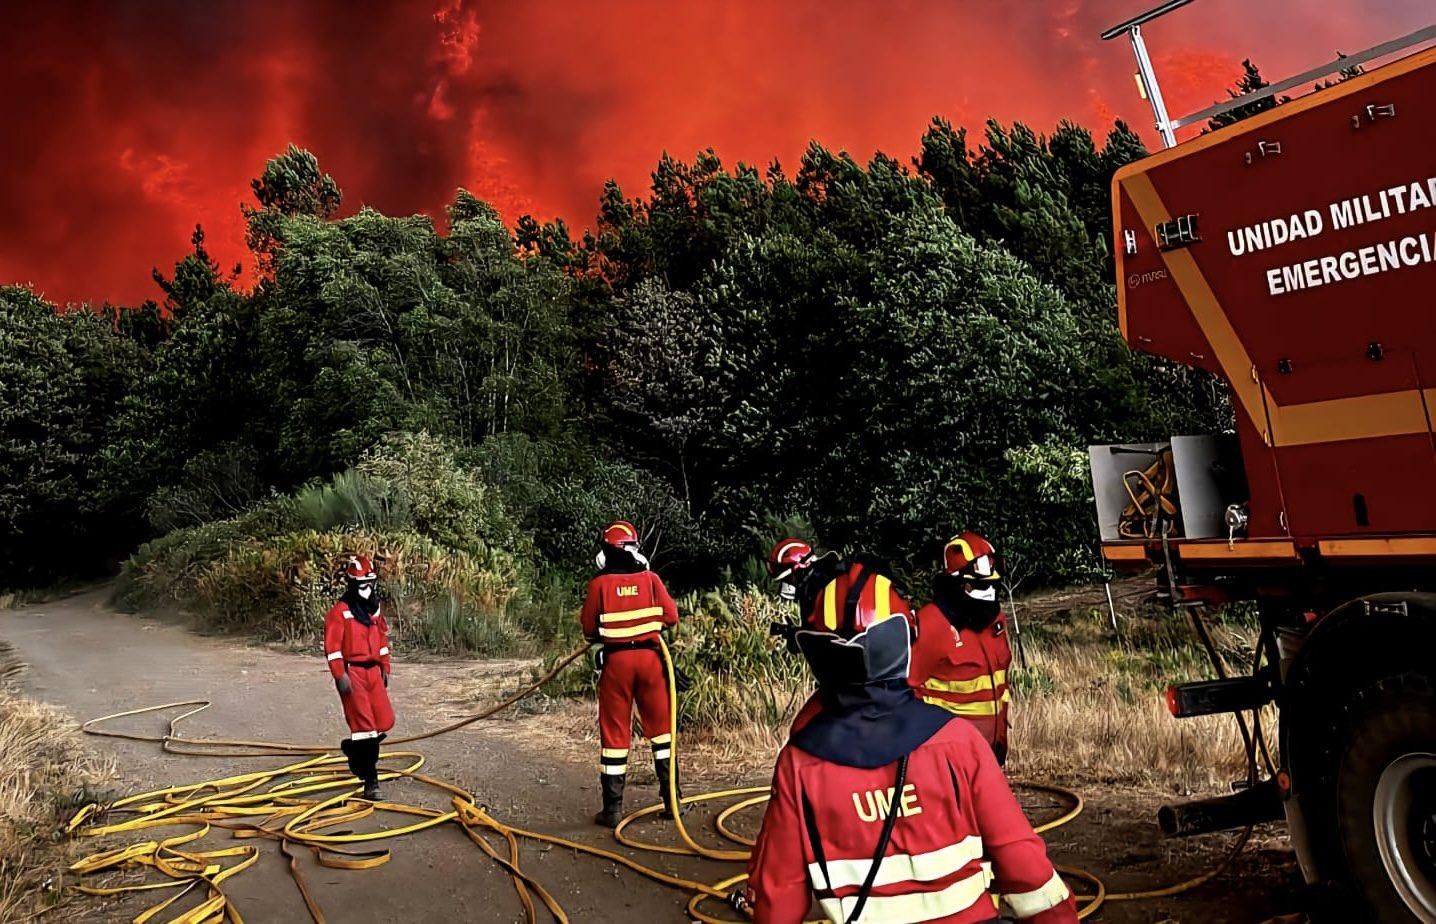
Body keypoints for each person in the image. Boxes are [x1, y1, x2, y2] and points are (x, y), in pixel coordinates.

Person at [744, 547, 1076, 924]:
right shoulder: (959, 743)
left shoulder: (800, 764)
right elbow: (1027, 872)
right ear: (905, 638)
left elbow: (777, 899)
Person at [580, 520, 681, 827]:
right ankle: (672, 803)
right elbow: (672, 616)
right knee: (663, 732)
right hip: (651, 661)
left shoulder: (598, 584)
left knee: (614, 734)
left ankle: (612, 810)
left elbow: (588, 628)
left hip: (617, 664)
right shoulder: (651, 579)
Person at [910, 532, 1014, 765]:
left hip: (990, 752)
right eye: (977, 585)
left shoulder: (995, 621)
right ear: (955, 584)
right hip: (945, 758)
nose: (987, 592)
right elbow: (908, 691)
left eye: (992, 585)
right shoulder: (931, 624)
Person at [324, 555, 393, 800]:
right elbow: (332, 648)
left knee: (384, 721)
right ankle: (370, 779)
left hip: (374, 671)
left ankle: (354, 751)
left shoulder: (374, 609)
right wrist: (339, 675)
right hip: (353, 673)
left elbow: (382, 641)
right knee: (365, 728)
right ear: (351, 584)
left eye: (370, 582)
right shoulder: (340, 612)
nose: (367, 588)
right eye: (362, 583)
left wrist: (385, 666)